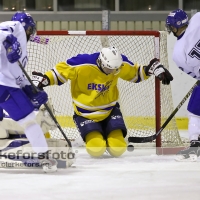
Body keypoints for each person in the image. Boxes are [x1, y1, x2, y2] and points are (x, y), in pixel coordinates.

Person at [32, 46, 173, 158]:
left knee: (118, 149)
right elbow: (60, 72)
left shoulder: (117, 65)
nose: (112, 72)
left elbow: (135, 73)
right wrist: (45, 80)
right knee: (96, 149)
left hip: (110, 111)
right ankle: (96, 134)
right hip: (85, 115)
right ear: (101, 61)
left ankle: (108, 132)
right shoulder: (82, 63)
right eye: (109, 69)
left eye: (115, 69)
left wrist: (150, 69)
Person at [0, 11, 57, 172]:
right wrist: (9, 39)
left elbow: (18, 76)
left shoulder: (24, 51)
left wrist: (32, 91)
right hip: (4, 86)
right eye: (30, 29)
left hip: (6, 86)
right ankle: (45, 158)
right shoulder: (16, 27)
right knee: (29, 121)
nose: (31, 33)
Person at [166, 9, 200, 161]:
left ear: (174, 27)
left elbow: (193, 74)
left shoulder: (178, 53)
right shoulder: (197, 19)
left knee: (194, 112)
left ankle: (195, 145)